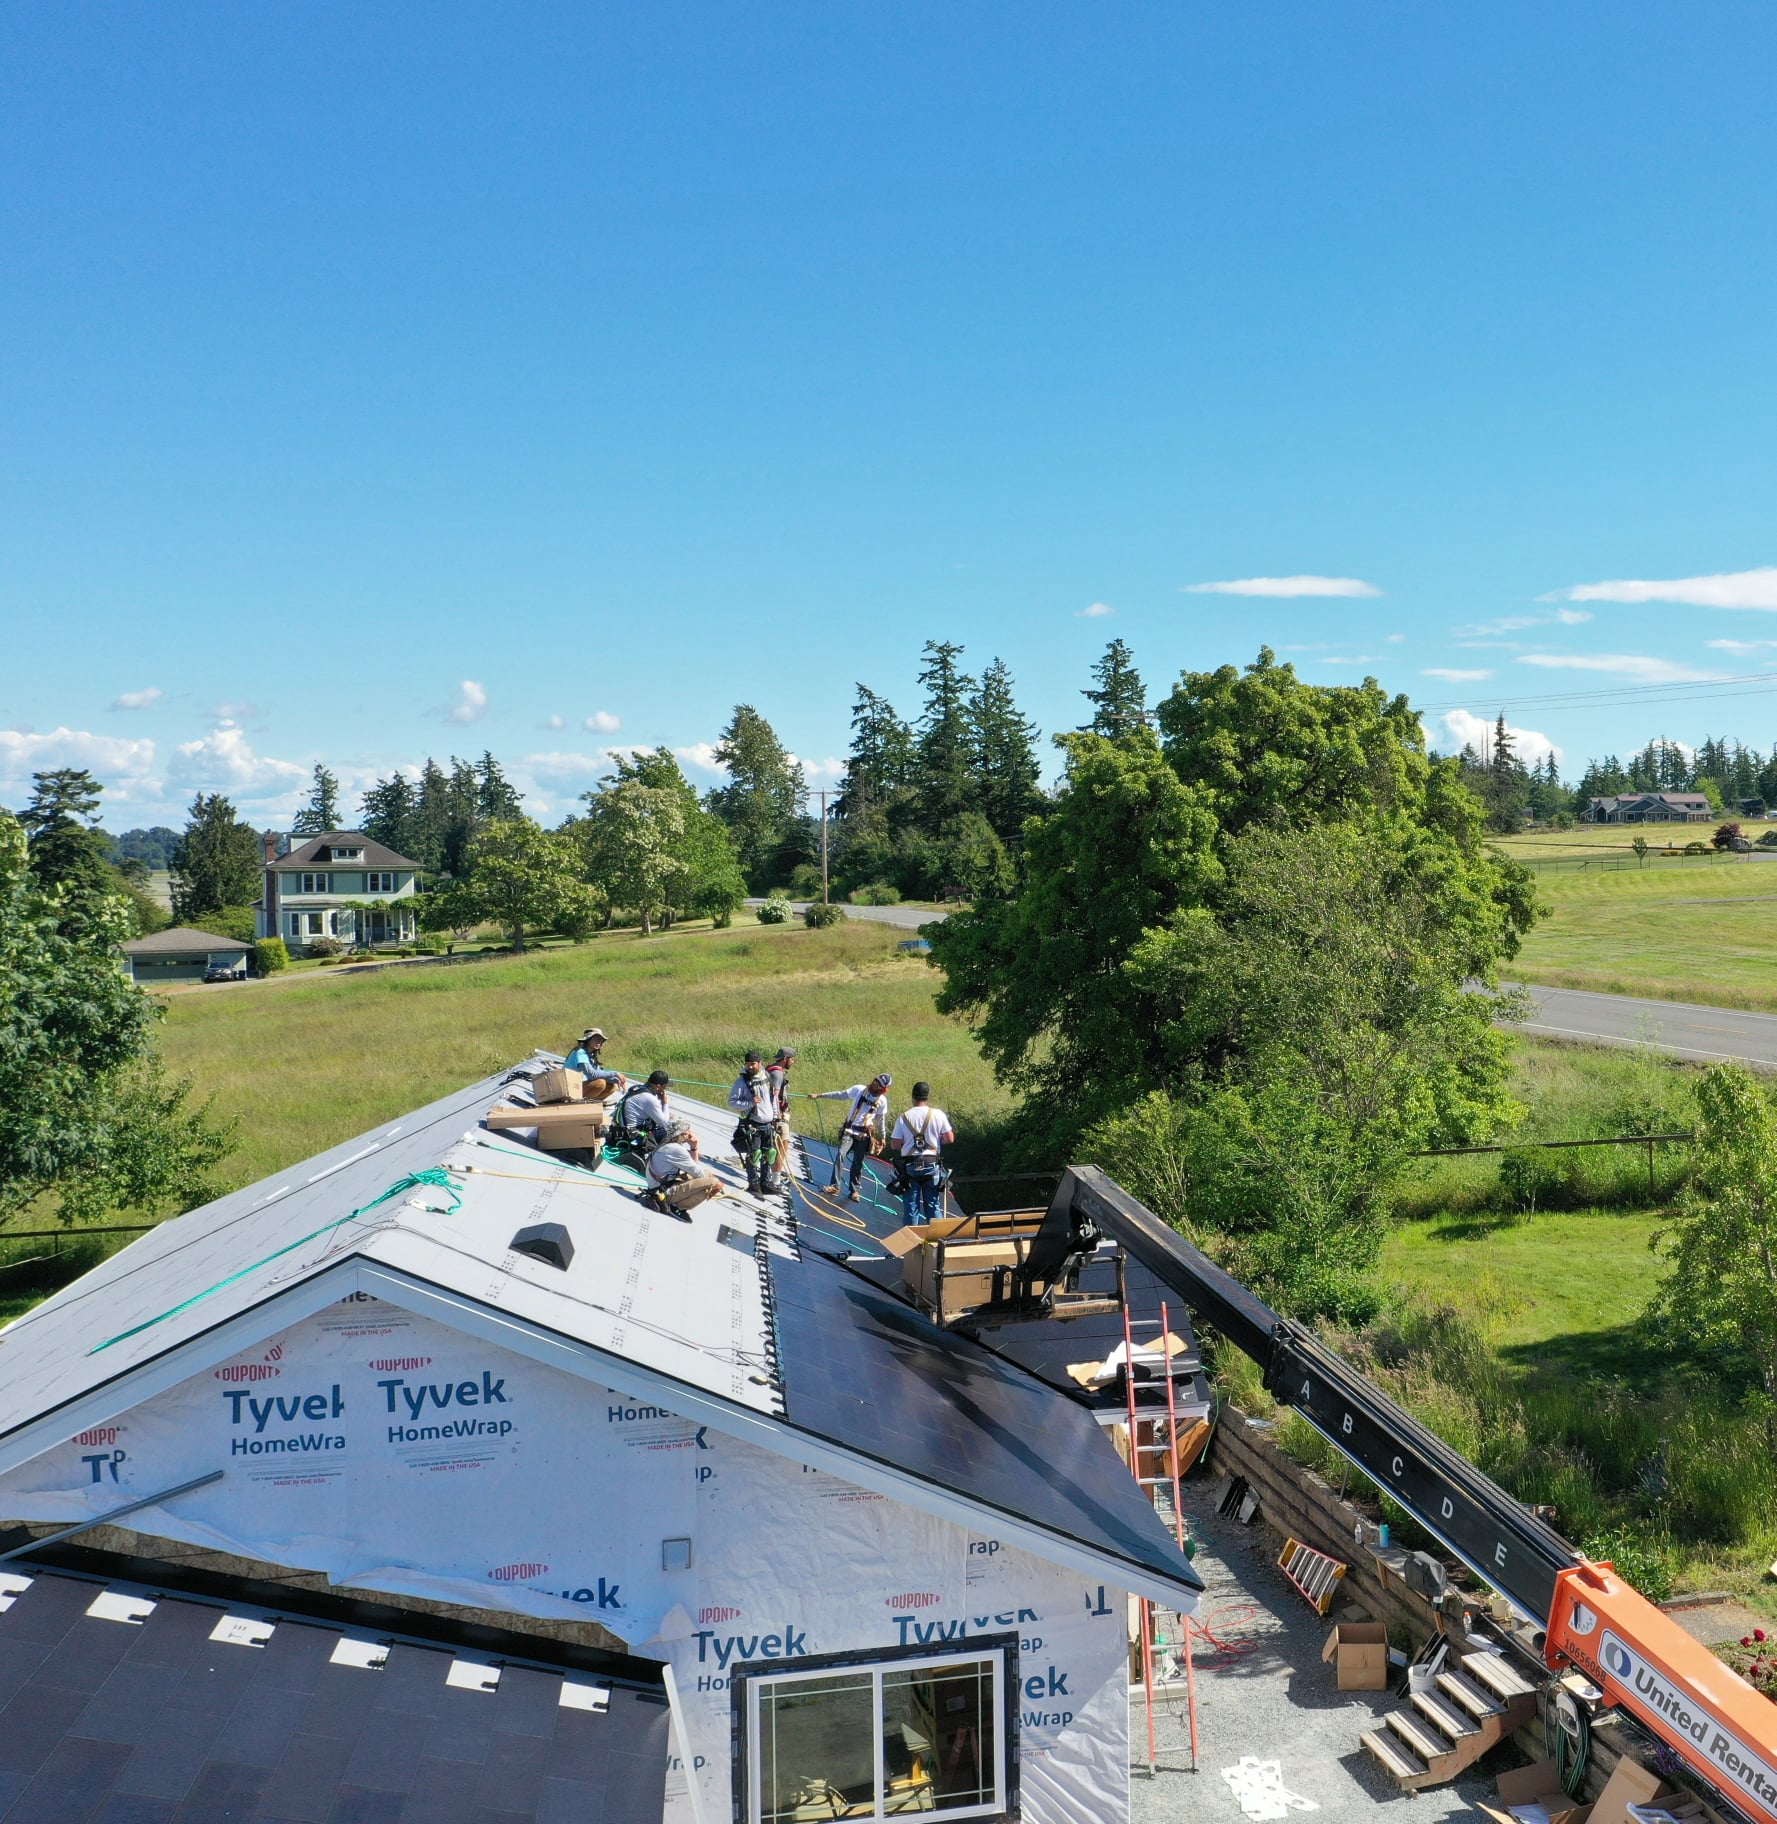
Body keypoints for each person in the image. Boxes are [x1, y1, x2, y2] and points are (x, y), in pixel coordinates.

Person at [810, 1074, 892, 1201]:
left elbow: (881, 1120)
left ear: (883, 1088)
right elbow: (841, 1094)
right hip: (849, 1130)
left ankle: (854, 1190)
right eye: (875, 1081)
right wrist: (820, 1095)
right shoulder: (859, 1089)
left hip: (864, 1135)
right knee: (841, 1155)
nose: (875, 1085)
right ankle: (835, 1186)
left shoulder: (882, 1101)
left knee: (858, 1163)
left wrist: (883, 1137)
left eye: (879, 1085)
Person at [891, 1082, 955, 1223]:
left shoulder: (903, 1117)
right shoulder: (938, 1114)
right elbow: (949, 1138)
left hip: (910, 1167)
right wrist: (936, 1141)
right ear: (927, 1097)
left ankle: (912, 1242)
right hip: (931, 1165)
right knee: (933, 1206)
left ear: (913, 1097)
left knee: (911, 1207)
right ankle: (937, 1241)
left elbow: (895, 1144)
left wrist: (907, 1143)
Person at [728, 1051, 783, 1197]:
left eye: (752, 1064)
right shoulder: (742, 1082)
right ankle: (753, 1184)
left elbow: (773, 1099)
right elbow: (732, 1102)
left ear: (760, 1063)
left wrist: (776, 1117)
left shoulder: (767, 1077)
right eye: (748, 1064)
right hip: (753, 1124)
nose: (750, 1067)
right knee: (754, 1155)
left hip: (768, 1123)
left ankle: (765, 1184)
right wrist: (750, 1103)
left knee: (768, 1154)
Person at [644, 1122, 723, 1219]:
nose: (691, 1134)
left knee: (709, 1174)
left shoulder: (668, 1144)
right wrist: (694, 1148)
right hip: (663, 1192)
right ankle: (677, 1207)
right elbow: (699, 1174)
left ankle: (677, 1202)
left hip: (658, 1186)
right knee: (713, 1182)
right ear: (680, 1135)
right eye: (688, 1132)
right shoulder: (677, 1150)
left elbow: (696, 1170)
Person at [618, 1071, 673, 1152]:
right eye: (664, 1087)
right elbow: (665, 1124)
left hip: (624, 1130)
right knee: (673, 1130)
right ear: (658, 1087)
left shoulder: (639, 1088)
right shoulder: (649, 1098)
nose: (665, 1090)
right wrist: (665, 1103)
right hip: (634, 1137)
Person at [767, 1047, 797, 1177]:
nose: (793, 1062)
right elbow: (775, 1096)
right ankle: (776, 1178)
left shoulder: (769, 1070)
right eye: (792, 1059)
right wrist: (777, 1116)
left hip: (770, 1113)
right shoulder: (778, 1074)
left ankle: (768, 1174)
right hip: (778, 1116)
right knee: (782, 1145)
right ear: (785, 1059)